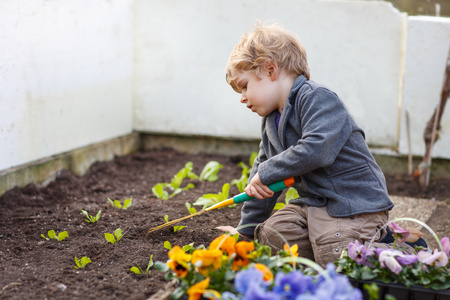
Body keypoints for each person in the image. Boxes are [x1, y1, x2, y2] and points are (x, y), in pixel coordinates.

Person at [217, 22, 424, 267]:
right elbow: (262, 177)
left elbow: (316, 151)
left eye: (244, 86)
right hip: (314, 205)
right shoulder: (271, 120)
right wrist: (247, 231)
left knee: (336, 254)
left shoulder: (318, 99)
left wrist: (267, 172)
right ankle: (336, 244)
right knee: (273, 236)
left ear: (270, 69)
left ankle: (399, 246)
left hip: (353, 204)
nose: (242, 98)